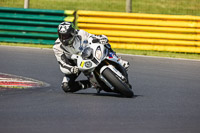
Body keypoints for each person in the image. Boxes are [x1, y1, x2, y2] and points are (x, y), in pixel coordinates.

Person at [53, 22, 130, 93]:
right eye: (61, 36)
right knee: (66, 86)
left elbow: (92, 37)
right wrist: (71, 69)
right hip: (75, 64)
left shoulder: (81, 34)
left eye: (66, 36)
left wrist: (100, 38)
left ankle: (119, 61)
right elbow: (62, 63)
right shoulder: (57, 47)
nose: (64, 38)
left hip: (89, 53)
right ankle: (91, 84)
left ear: (72, 33)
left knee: (104, 43)